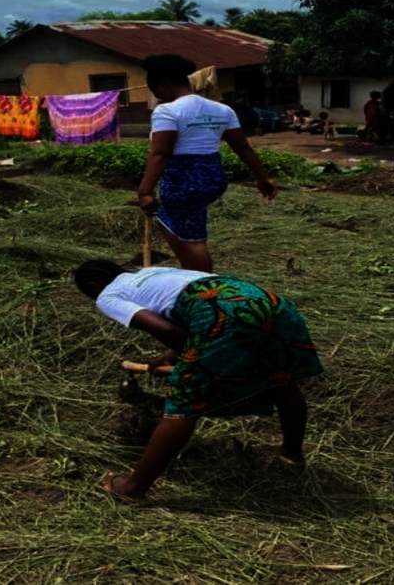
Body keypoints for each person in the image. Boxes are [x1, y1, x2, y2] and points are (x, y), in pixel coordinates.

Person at [74, 260, 324, 502]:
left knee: (183, 405)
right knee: (282, 381)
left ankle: (132, 489)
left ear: (94, 286)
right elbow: (189, 309)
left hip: (224, 314)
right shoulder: (152, 272)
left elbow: (167, 330)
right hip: (267, 302)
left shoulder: (107, 296)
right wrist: (170, 357)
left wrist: (189, 360)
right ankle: (291, 454)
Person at [138, 54, 277, 273]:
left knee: (188, 236)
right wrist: (262, 177)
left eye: (155, 91)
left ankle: (201, 281)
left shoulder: (167, 111)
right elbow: (242, 146)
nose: (156, 97)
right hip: (213, 176)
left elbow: (161, 153)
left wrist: (144, 191)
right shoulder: (222, 109)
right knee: (183, 224)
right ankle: (193, 274)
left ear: (164, 84)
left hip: (183, 179)